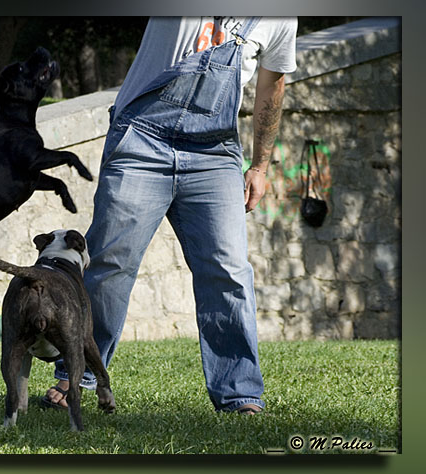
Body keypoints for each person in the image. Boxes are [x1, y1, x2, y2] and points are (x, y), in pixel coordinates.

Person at [41, 16, 297, 414]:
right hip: (142, 137)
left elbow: (272, 86)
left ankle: (239, 393)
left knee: (228, 271)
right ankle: (77, 373)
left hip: (214, 153)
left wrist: (260, 167)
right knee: (111, 262)